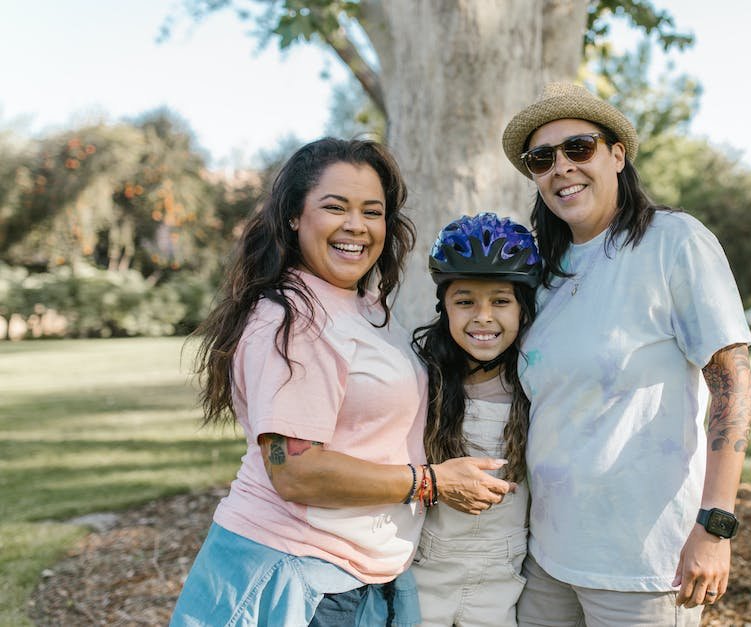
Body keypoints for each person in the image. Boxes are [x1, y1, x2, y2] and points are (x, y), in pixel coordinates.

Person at [170, 138, 513, 627]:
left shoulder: (356, 304)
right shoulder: (292, 319)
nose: (356, 225)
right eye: (335, 207)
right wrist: (432, 483)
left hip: (354, 578)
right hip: (294, 572)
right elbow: (295, 471)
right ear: (294, 215)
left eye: (372, 211)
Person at [500, 82, 751, 626]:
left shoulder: (673, 241)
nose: (561, 167)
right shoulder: (543, 270)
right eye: (542, 159)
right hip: (546, 556)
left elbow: (732, 382)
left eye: (579, 148)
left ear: (617, 155)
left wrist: (716, 525)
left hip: (643, 566)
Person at [409, 213, 541, 626]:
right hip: (425, 571)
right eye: (465, 302)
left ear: (523, 308)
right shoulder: (421, 380)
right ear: (444, 307)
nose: (483, 316)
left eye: (500, 301)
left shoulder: (536, 383)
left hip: (502, 579)